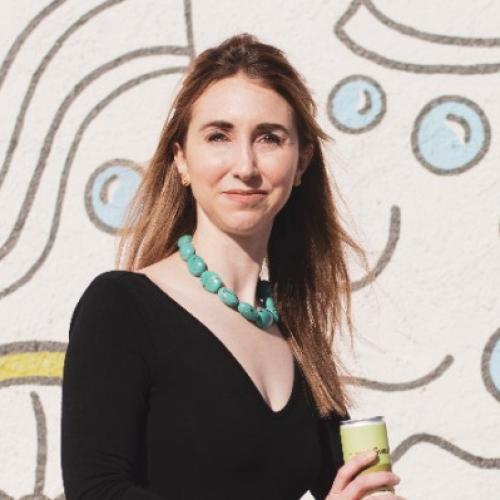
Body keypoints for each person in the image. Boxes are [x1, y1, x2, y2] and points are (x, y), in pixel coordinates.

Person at [61, 33, 404, 500]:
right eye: (218, 136)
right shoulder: (121, 308)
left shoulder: (296, 335)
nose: (245, 165)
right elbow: (96, 492)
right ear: (181, 159)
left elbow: (352, 487)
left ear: (302, 162)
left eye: (269, 138)